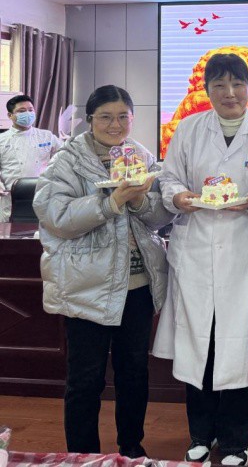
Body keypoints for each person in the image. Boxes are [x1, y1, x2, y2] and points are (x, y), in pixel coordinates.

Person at [153, 53, 248, 467]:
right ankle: (201, 433)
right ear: (207, 90)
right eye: (219, 85)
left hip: (245, 251)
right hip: (196, 249)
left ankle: (235, 441)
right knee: (200, 345)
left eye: (237, 84)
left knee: (240, 349)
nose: (230, 93)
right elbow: (170, 177)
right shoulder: (189, 128)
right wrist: (179, 197)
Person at [33, 85, 172, 457]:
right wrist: (111, 202)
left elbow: (161, 217)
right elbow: (56, 216)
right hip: (87, 286)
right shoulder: (67, 161)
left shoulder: (140, 156)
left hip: (138, 286)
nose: (115, 124)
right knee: (85, 379)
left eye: (123, 116)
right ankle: (83, 456)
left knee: (134, 373)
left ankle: (132, 449)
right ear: (90, 119)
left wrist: (139, 201)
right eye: (106, 117)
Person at [0, 94, 62, 221]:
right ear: (10, 115)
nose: (28, 114)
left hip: (43, 196)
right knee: (11, 232)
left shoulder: (46, 136)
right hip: (10, 199)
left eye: (30, 110)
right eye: (22, 111)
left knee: (42, 230)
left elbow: (66, 157)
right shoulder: (2, 140)